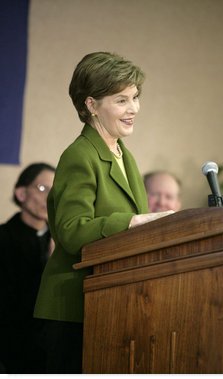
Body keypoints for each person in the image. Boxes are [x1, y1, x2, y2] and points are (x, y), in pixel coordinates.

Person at [33, 51, 175, 374]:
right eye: (121, 100)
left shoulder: (125, 155)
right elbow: (70, 230)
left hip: (113, 303)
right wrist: (132, 222)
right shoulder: (79, 155)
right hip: (73, 310)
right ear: (91, 105)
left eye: (135, 98)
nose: (134, 109)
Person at [0, 162, 55, 374]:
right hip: (12, 345)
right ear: (21, 193)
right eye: (43, 189)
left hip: (49, 345)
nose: (50, 197)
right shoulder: (4, 238)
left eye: (55, 191)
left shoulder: (61, 240)